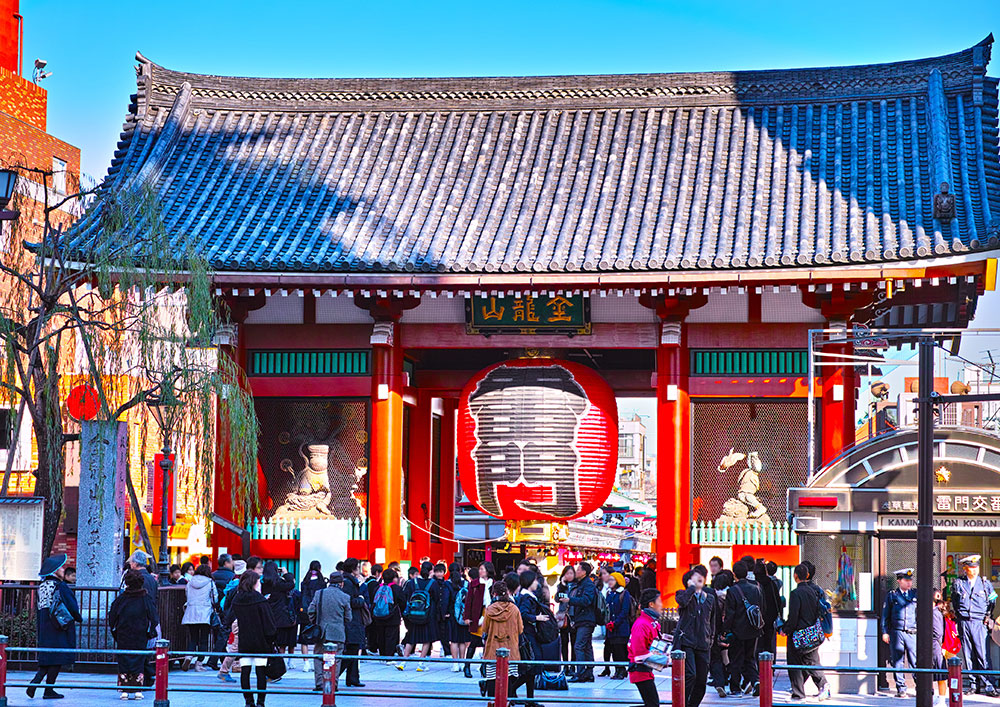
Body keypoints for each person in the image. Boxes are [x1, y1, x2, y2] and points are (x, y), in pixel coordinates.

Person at [29, 554, 83, 699]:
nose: (63, 569)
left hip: (45, 624)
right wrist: (78, 617)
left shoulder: (42, 586)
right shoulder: (60, 586)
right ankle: (48, 690)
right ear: (54, 571)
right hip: (59, 626)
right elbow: (71, 605)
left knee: (49, 655)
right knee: (57, 657)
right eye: (60, 568)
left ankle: (35, 683)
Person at [952, 554, 998, 696]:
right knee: (968, 654)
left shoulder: (985, 584)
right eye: (971, 568)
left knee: (983, 654)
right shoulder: (958, 583)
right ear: (965, 569)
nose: (975, 570)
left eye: (976, 567)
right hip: (964, 621)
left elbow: (993, 602)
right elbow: (955, 601)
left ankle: (989, 685)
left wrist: (987, 616)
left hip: (979, 622)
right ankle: (973, 684)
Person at [109, 570, 159, 699]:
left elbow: (112, 616)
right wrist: (150, 632)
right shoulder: (145, 598)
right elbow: (154, 617)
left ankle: (125, 689)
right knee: (139, 660)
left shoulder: (121, 599)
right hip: (140, 633)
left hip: (123, 633)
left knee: (124, 660)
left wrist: (115, 631)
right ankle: (137, 690)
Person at [785, 563, 830, 702]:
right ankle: (802, 692)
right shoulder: (814, 591)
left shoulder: (796, 593)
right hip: (813, 632)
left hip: (799, 634)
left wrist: (786, 630)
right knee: (810, 661)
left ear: (795, 576)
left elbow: (793, 617)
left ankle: (800, 693)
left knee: (796, 663)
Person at [231, 571, 276, 707]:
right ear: (254, 583)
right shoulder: (260, 600)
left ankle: (248, 701)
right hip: (260, 640)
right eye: (258, 581)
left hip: (244, 639)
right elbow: (270, 624)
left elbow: (228, 616)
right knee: (260, 672)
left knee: (245, 671)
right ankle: (260, 702)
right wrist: (271, 639)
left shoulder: (237, 599)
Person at [675, 567, 715, 707]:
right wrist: (691, 589)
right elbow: (683, 602)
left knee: (702, 681)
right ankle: (682, 703)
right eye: (694, 577)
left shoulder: (709, 598)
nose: (698, 579)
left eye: (700, 577)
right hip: (687, 641)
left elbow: (712, 620)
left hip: (703, 642)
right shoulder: (682, 595)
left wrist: (711, 638)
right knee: (690, 675)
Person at [723, 560, 763, 697]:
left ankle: (735, 688)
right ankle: (756, 681)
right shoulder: (756, 587)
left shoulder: (732, 591)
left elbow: (730, 614)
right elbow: (762, 608)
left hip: (738, 631)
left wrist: (726, 630)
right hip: (754, 629)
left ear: (734, 574)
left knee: (735, 659)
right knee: (750, 657)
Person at [308, 571, 352, 692]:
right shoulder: (345, 597)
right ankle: (333, 684)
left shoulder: (319, 594)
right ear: (341, 583)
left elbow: (311, 610)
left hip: (321, 632)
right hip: (338, 633)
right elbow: (348, 618)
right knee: (336, 659)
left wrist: (316, 622)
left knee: (318, 657)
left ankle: (319, 683)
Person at [482, 580, 523, 703]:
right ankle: (508, 702)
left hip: (492, 650)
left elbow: (485, 629)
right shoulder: (514, 609)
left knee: (491, 678)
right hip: (511, 650)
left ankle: (492, 702)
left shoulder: (490, 610)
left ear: (494, 594)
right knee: (510, 678)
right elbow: (520, 629)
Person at [881, 567, 917, 697]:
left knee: (915, 661)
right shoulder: (892, 595)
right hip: (897, 632)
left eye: (910, 580)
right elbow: (885, 615)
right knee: (897, 661)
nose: (909, 583)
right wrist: (885, 631)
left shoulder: (915, 594)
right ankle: (901, 687)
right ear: (899, 581)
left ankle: (919, 686)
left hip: (912, 632)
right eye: (906, 580)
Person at [400, 561, 441, 671]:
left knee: (411, 638)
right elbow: (437, 599)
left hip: (414, 615)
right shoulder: (433, 583)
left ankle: (403, 661)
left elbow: (406, 596)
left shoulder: (412, 582)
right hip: (428, 615)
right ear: (431, 571)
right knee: (426, 640)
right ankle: (421, 663)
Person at [562, 561, 598, 682]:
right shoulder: (582, 583)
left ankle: (581, 673)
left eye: (578, 570)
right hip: (582, 619)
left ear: (584, 572)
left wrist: (570, 600)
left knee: (579, 646)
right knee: (586, 646)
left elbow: (586, 600)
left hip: (586, 619)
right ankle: (588, 673)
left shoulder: (587, 585)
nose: (576, 572)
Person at [628, 588, 664, 707]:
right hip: (640, 670)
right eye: (659, 601)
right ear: (651, 604)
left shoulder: (650, 622)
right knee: (653, 705)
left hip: (645, 670)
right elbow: (640, 653)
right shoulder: (642, 624)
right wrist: (665, 660)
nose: (661, 605)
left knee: (651, 704)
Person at [261, 561, 296, 676]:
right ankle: (278, 666)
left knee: (270, 643)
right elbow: (291, 584)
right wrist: (286, 573)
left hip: (267, 617)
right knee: (281, 643)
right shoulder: (279, 583)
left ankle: (269, 665)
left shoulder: (263, 583)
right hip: (281, 618)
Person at [182, 564, 218, 672]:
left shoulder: (190, 582)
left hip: (191, 612)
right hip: (204, 613)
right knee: (203, 639)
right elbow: (214, 598)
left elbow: (187, 595)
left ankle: (188, 657)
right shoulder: (210, 582)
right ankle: (199, 663)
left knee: (193, 637)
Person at [463, 561, 495, 678]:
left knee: (488, 643)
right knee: (474, 642)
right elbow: (468, 601)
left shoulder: (494, 584)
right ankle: (467, 666)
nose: (480, 571)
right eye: (480, 569)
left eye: (483, 569)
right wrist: (466, 617)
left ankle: (484, 666)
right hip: (478, 615)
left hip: (490, 614)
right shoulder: (474, 584)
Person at [340, 558, 368, 687]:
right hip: (352, 621)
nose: (359, 570)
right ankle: (335, 676)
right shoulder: (348, 583)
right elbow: (349, 601)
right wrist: (361, 599)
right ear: (353, 569)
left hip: (353, 621)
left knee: (353, 650)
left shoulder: (349, 581)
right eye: (357, 567)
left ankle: (353, 678)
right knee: (351, 651)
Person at [370, 568, 405, 661]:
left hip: (378, 616)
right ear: (394, 578)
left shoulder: (377, 588)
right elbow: (403, 602)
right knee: (391, 636)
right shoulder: (397, 589)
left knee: (381, 636)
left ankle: (382, 655)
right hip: (392, 616)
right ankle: (389, 657)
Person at [298, 561, 326, 671]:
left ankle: (306, 663)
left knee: (304, 637)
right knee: (318, 637)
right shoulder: (321, 582)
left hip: (305, 611)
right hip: (318, 611)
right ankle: (316, 662)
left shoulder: (304, 582)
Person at [605, 571, 633, 680]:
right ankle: (617, 670)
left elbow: (625, 610)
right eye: (609, 580)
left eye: (612, 580)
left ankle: (622, 670)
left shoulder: (624, 593)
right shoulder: (609, 593)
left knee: (620, 649)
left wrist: (616, 623)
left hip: (621, 627)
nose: (610, 582)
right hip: (611, 628)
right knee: (614, 650)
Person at [756, 558, 782, 656]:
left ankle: (756, 668)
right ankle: (769, 667)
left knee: (756, 647)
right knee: (768, 645)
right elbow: (777, 601)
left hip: (755, 623)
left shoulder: (753, 585)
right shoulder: (771, 584)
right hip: (769, 621)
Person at [448, 562, 470, 671]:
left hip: (453, 615)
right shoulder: (466, 584)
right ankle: (462, 662)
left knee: (454, 640)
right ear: (461, 571)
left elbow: (446, 600)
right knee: (462, 640)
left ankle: (455, 663)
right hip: (464, 615)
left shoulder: (448, 584)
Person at [433, 563, 454, 666]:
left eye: (440, 572)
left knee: (444, 632)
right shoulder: (433, 583)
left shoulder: (446, 584)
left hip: (444, 612)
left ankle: (446, 650)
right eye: (437, 571)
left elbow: (450, 599)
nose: (438, 574)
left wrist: (448, 611)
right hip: (435, 612)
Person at [555, 565, 575, 664]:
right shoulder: (561, 586)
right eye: (567, 573)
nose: (569, 576)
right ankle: (566, 664)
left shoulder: (577, 585)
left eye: (571, 573)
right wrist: (562, 585)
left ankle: (573, 664)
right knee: (564, 641)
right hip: (563, 616)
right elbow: (556, 599)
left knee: (574, 642)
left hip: (573, 616)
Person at [932, 589, 949, 707]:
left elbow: (938, 632)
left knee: (940, 672)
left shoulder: (935, 612)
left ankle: (941, 700)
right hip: (934, 644)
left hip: (935, 645)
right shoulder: (933, 611)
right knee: (935, 672)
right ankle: (936, 698)